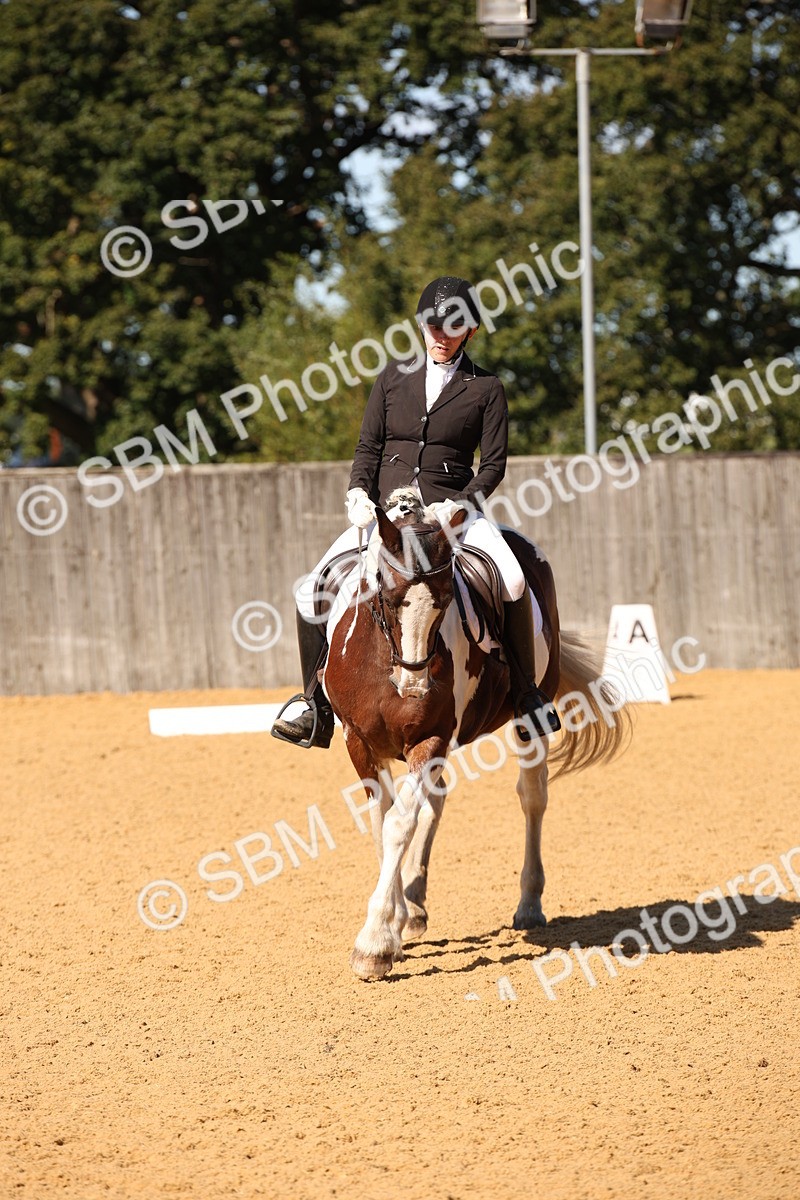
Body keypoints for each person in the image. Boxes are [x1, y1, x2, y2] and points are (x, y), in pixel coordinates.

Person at [271, 275, 560, 749]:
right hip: (388, 516)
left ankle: (527, 696)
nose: (441, 337)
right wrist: (358, 493)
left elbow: (493, 465)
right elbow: (369, 445)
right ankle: (313, 705)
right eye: (433, 327)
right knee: (310, 592)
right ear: (422, 327)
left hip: (453, 515)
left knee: (510, 578)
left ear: (469, 331)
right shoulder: (392, 377)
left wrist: (461, 503)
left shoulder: (485, 388)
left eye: (452, 328)